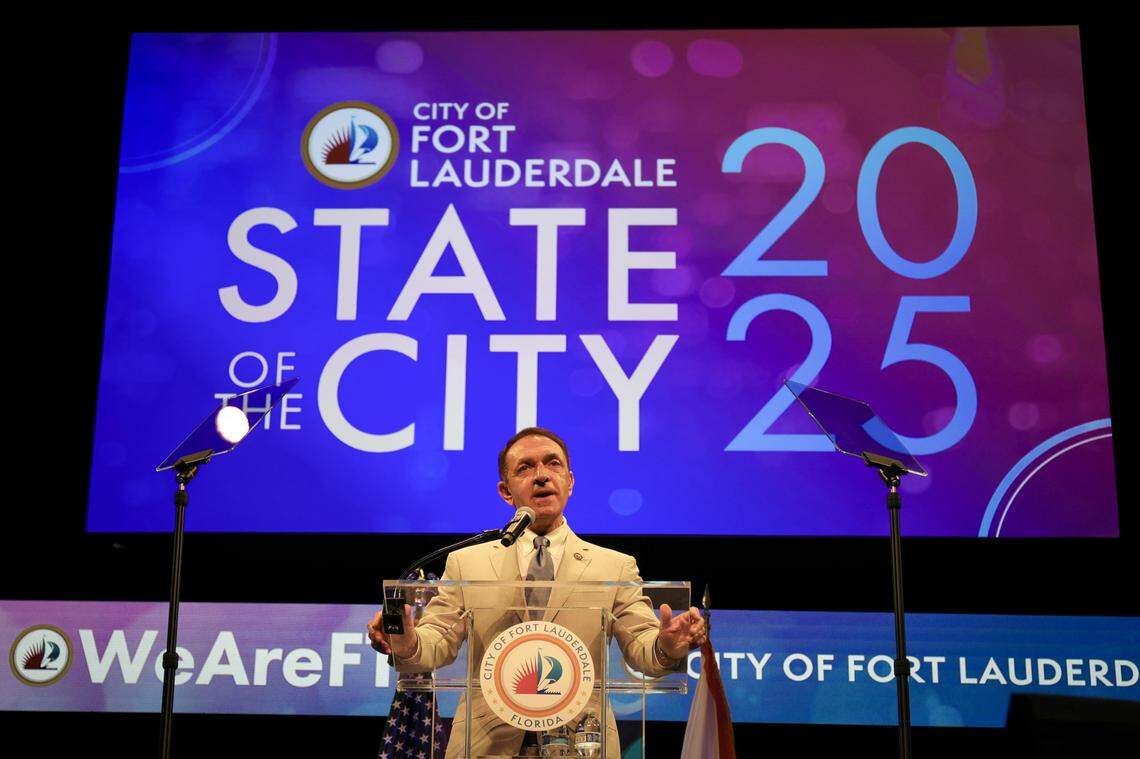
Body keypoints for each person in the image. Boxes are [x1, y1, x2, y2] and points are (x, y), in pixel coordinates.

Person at [367, 426, 707, 758]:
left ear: (569, 482)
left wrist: (666, 646)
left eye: (553, 463)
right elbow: (436, 643)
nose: (541, 476)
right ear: (506, 490)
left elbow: (642, 649)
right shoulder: (465, 563)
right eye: (525, 468)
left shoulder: (614, 567)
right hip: (485, 745)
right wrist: (406, 640)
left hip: (583, 744)